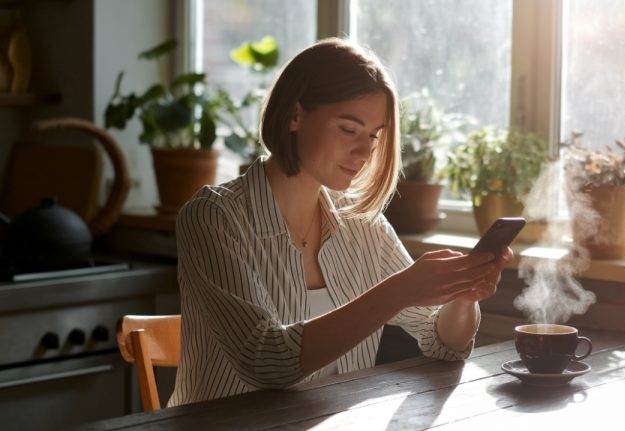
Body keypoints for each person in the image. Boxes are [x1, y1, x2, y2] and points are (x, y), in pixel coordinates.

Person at [168, 37, 511, 407]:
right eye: (348, 129)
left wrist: (463, 295)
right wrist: (401, 290)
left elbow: (442, 343)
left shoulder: (364, 226)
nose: (364, 152)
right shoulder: (214, 217)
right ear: (294, 115)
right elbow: (266, 360)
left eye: (373, 136)